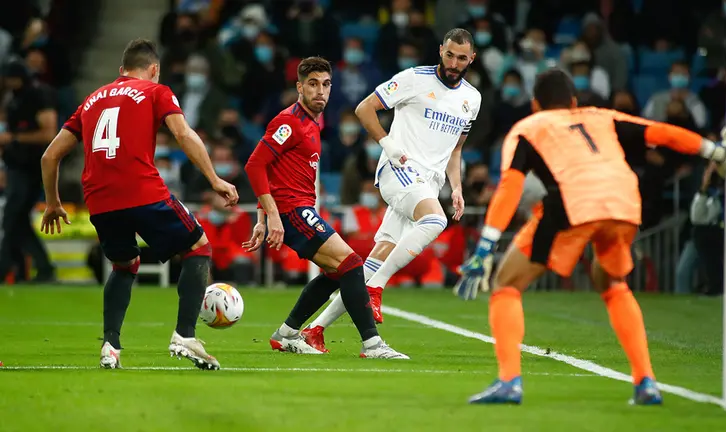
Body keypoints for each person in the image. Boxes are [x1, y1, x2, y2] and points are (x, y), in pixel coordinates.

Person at [454, 68, 726, 405]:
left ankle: (509, 381)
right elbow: (662, 133)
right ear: (573, 101)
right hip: (624, 202)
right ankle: (646, 382)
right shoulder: (602, 116)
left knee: (507, 284)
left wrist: (485, 246)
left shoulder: (529, 127)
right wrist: (714, 152)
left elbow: (511, 186)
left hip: (574, 203)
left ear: (536, 104)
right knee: (613, 285)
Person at [39, 39, 239, 370]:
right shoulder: (155, 91)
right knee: (198, 247)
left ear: (121, 71)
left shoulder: (90, 100)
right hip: (142, 190)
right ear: (154, 70)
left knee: (124, 264)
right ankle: (185, 336)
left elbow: (50, 155)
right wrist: (214, 179)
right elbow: (184, 134)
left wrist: (52, 203)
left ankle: (110, 345)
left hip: (100, 200)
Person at [302, 28, 482, 351]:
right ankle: (377, 289)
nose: (454, 63)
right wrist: (388, 144)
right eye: (449, 55)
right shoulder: (414, 79)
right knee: (436, 220)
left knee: (371, 263)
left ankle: (314, 330)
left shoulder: (473, 99)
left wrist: (456, 187)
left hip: (426, 185)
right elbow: (363, 108)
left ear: (472, 59)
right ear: (441, 50)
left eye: (462, 58)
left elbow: (455, 151)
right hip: (398, 171)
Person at [243, 56, 408, 359]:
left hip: (297, 210)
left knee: (336, 271)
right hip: (294, 211)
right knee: (353, 264)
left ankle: (287, 333)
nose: (321, 91)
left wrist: (260, 219)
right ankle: (372, 344)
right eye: (313, 84)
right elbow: (255, 165)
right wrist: (273, 218)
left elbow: (271, 171)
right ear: (299, 87)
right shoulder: (288, 122)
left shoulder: (311, 124)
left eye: (326, 84)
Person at [0, 59, 57, 282]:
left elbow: (49, 132)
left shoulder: (38, 95)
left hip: (31, 167)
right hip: (16, 164)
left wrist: (12, 138)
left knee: (13, 217)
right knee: (18, 220)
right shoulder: (15, 97)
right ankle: (42, 269)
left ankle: (5, 268)